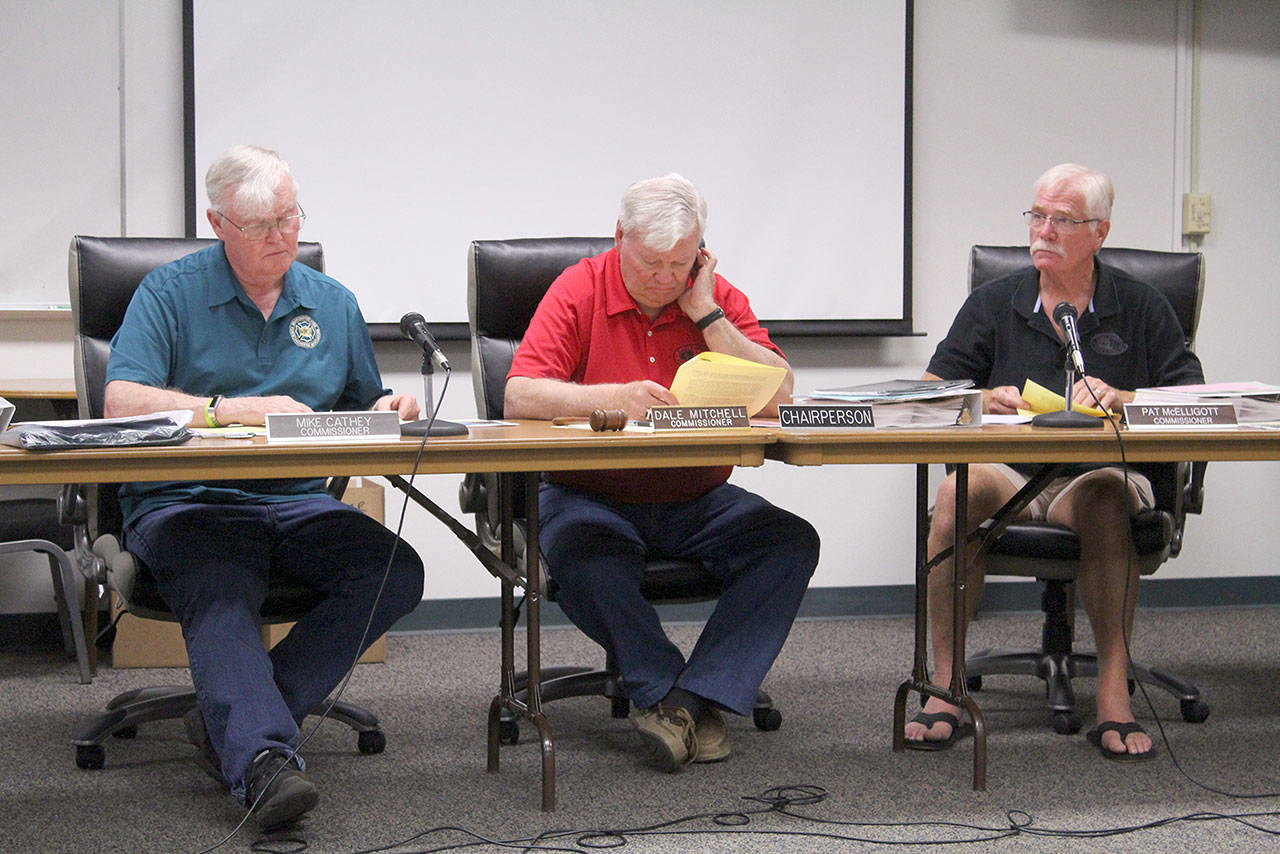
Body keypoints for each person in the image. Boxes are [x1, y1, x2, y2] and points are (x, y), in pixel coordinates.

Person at [104, 145, 425, 827]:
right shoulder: (169, 292)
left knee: (393, 569)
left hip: (299, 501)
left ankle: (240, 716)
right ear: (219, 224)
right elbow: (121, 400)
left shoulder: (331, 304)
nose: (283, 238)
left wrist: (390, 408)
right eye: (261, 227)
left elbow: (363, 403)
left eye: (290, 218)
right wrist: (227, 409)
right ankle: (263, 762)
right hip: (189, 503)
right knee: (222, 587)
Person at [504, 173, 820, 771]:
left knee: (790, 543)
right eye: (651, 263)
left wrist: (706, 316)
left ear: (700, 254)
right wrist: (613, 397)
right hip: (590, 495)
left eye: (680, 264)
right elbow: (519, 395)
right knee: (583, 560)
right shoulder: (578, 289)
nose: (664, 278)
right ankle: (676, 693)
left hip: (696, 495)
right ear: (619, 236)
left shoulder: (713, 295)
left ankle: (685, 700)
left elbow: (781, 395)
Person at [904, 163, 1204, 760]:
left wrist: (1126, 399)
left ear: (1099, 232)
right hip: (1013, 470)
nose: (1042, 231)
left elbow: (1191, 396)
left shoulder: (1140, 305)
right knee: (951, 496)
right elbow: (930, 390)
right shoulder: (995, 302)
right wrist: (984, 398)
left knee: (1103, 499)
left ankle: (1113, 694)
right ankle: (945, 687)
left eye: (1061, 220)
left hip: (1100, 475)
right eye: (1036, 216)